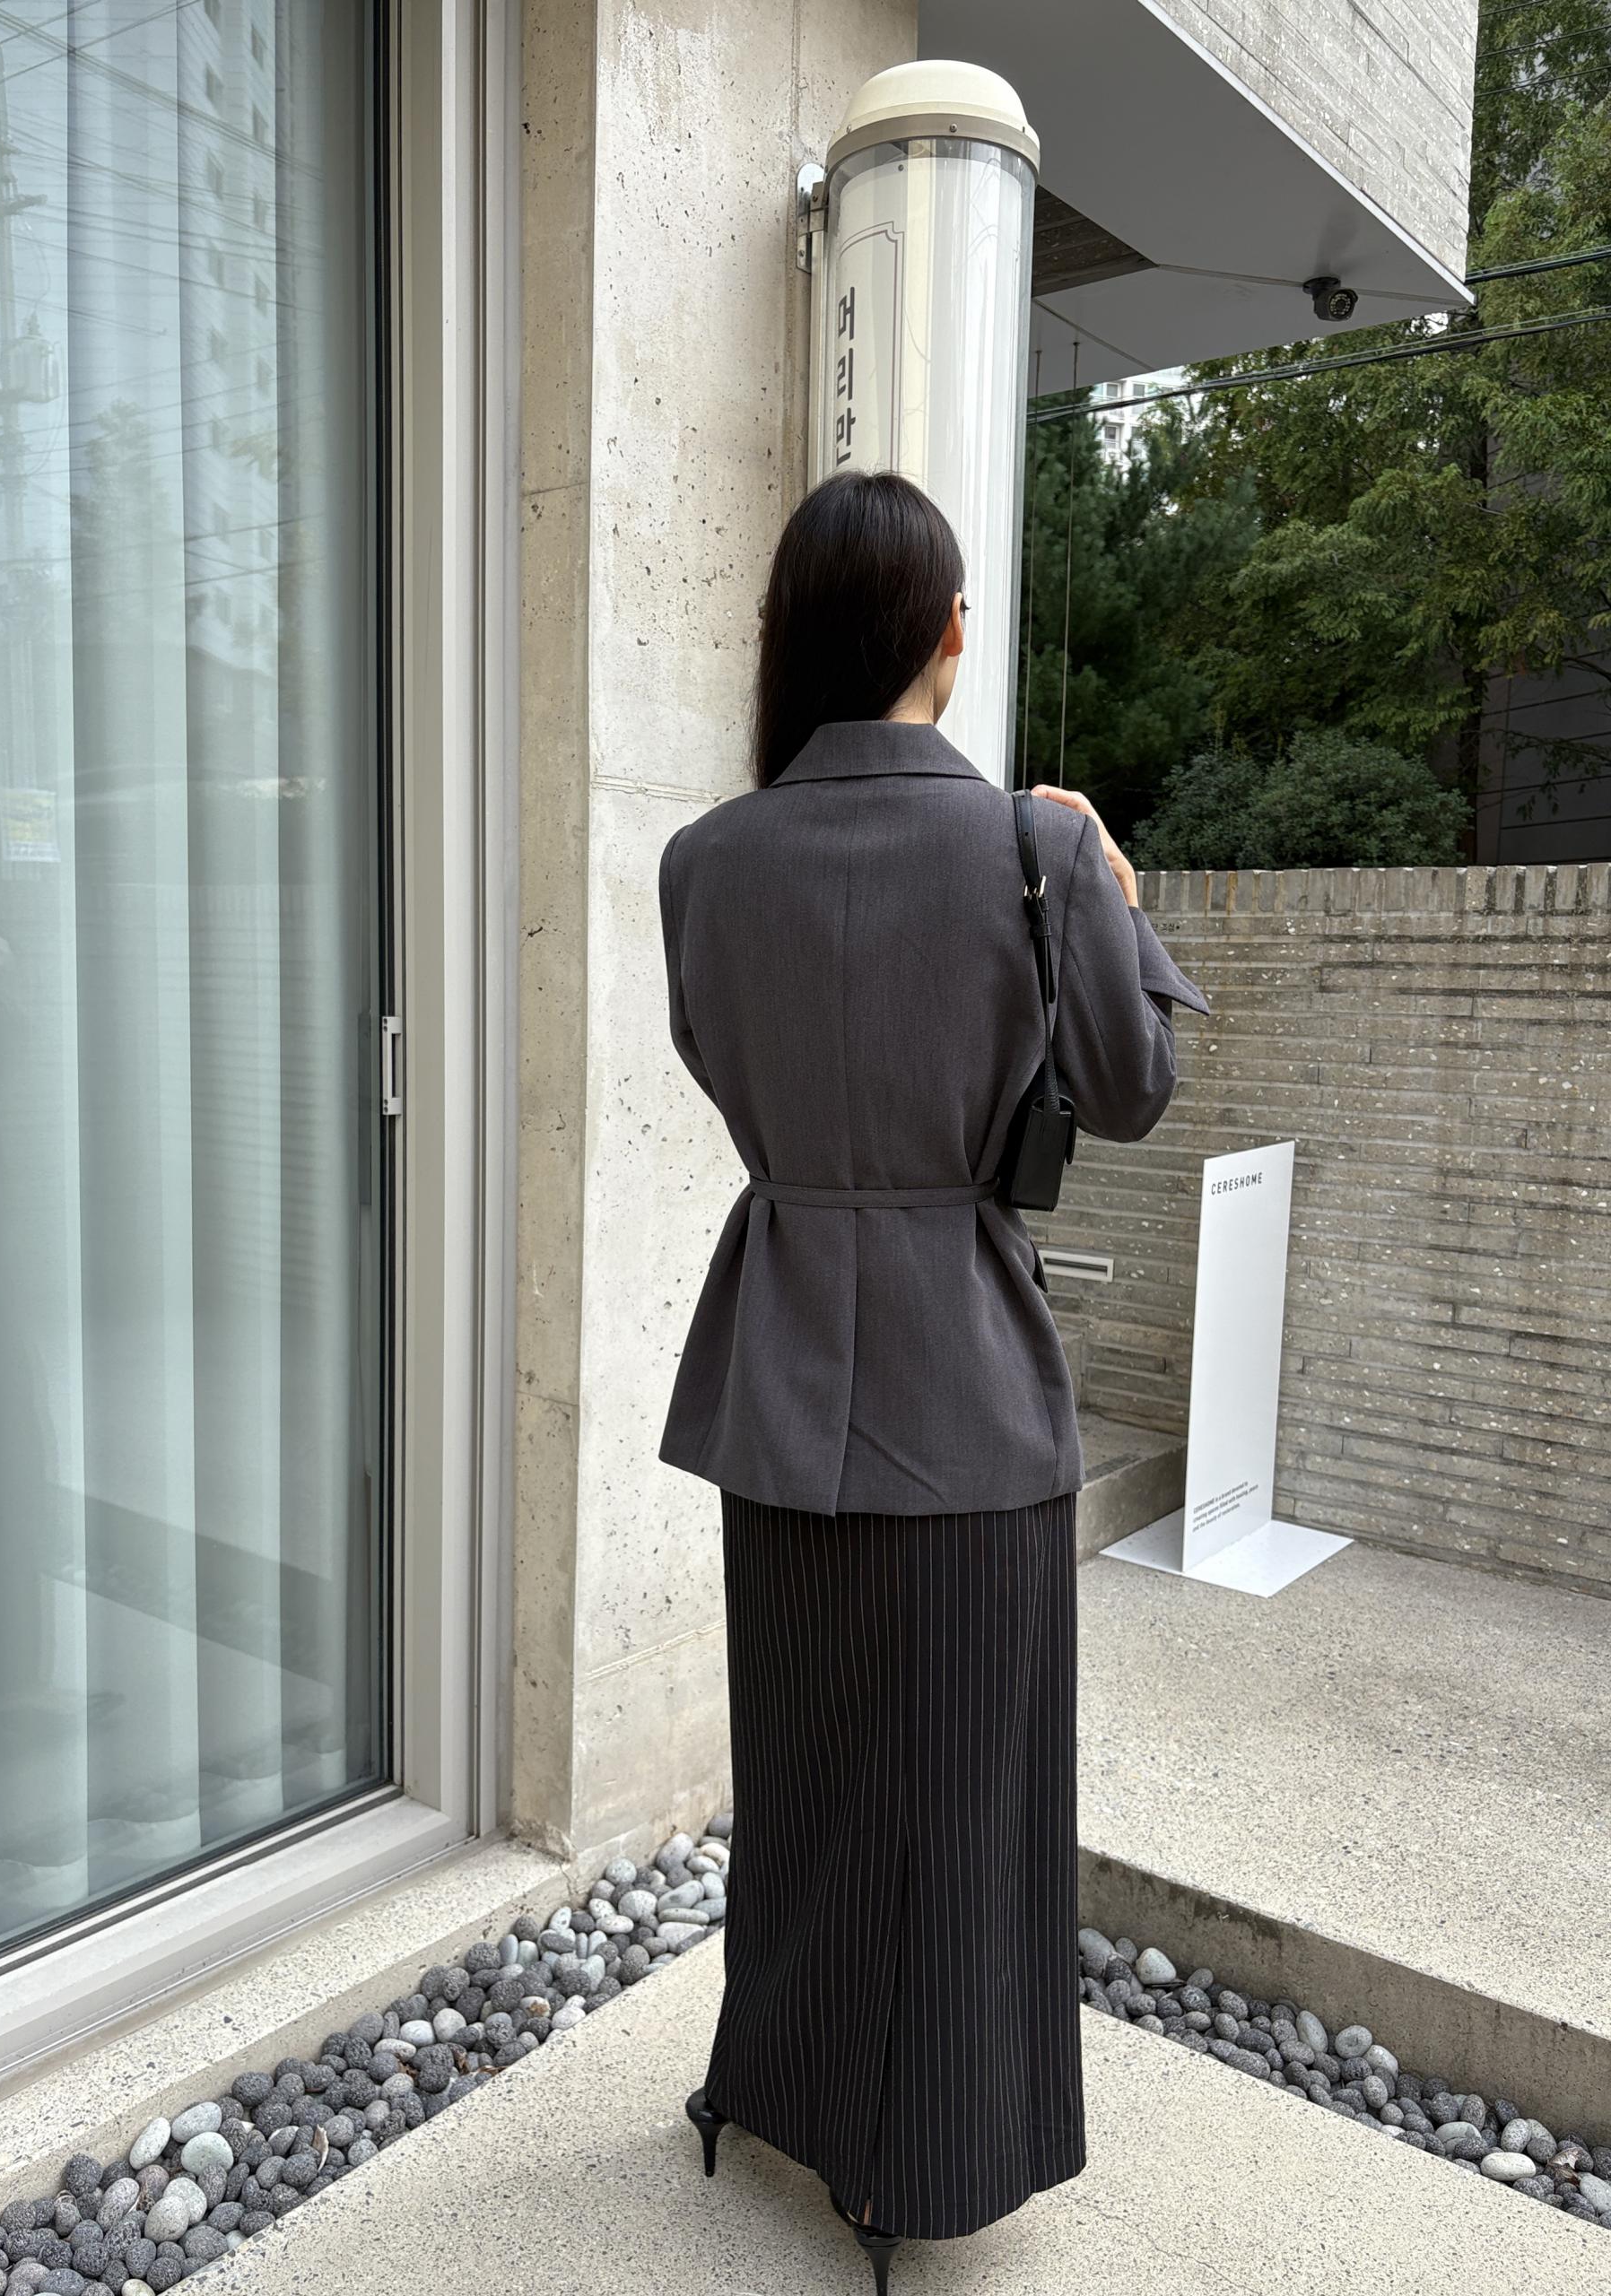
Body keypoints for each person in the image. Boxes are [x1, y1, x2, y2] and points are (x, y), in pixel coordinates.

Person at [656, 468, 1209, 2291]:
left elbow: (722, 1063)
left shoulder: (704, 862)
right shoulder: (1034, 847)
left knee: (809, 1777)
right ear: (950, 631)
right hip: (967, 1391)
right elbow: (1131, 1091)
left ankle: (783, 2081)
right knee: (965, 1804)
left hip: (781, 1379)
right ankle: (925, 2154)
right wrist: (1111, 887)